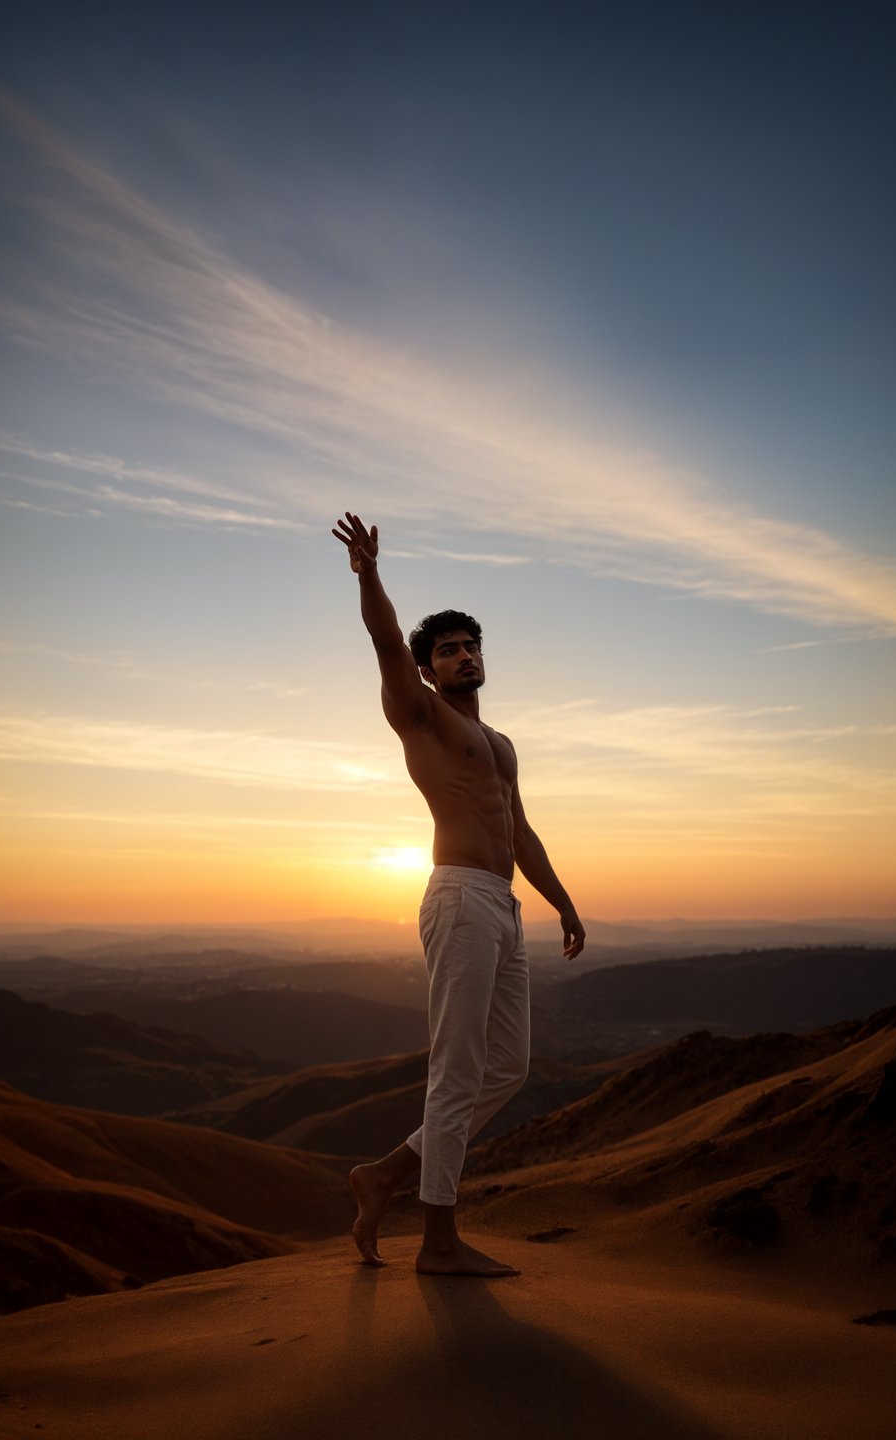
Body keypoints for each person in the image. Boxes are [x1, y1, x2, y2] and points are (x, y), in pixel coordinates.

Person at [331, 512, 586, 1277]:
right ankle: (437, 1241)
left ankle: (383, 1176)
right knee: (457, 1071)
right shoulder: (423, 717)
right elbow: (383, 643)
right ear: (429, 668)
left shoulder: (500, 745)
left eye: (471, 645)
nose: (464, 655)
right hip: (458, 898)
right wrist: (370, 576)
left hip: (502, 906)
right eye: (448, 649)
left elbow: (522, 833)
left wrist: (563, 902)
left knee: (507, 1065)